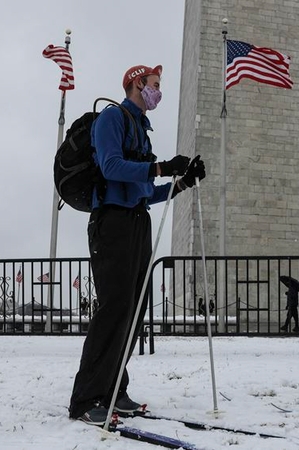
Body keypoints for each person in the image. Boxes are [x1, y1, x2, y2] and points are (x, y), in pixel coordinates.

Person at [69, 64, 207, 426]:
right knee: (114, 308)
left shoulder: (141, 131)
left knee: (133, 309)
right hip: (111, 221)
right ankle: (86, 398)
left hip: (136, 220)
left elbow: (145, 192)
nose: (158, 92)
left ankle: (114, 387)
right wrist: (161, 167)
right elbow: (113, 167)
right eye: (154, 85)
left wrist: (182, 182)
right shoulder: (113, 118)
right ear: (136, 84)